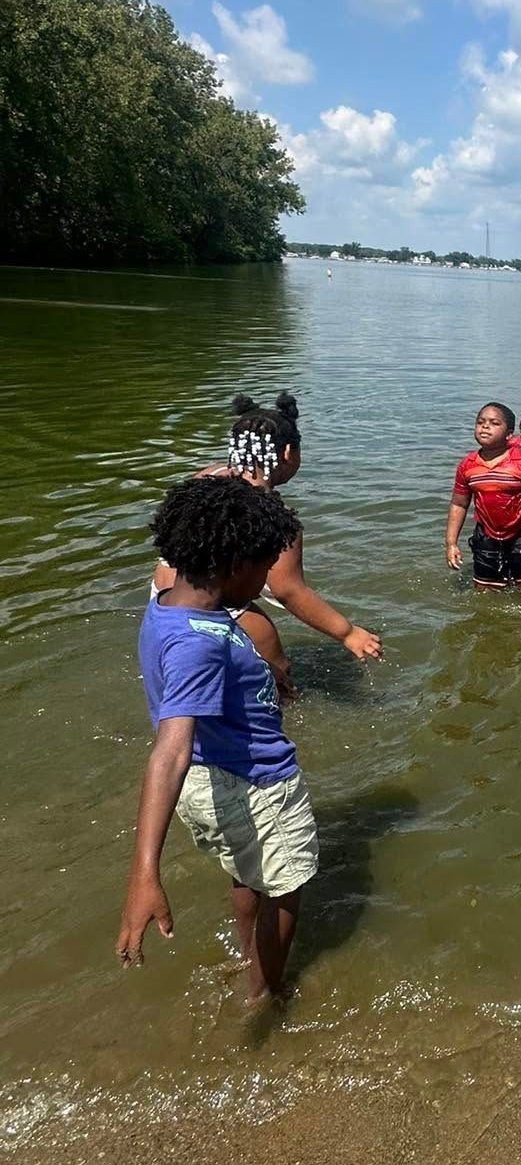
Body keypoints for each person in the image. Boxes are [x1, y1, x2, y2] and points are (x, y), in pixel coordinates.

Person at [118, 477, 319, 1003]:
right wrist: (145, 874)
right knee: (285, 887)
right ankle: (266, 996)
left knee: (247, 872)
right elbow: (171, 749)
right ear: (233, 566)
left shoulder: (169, 603)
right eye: (264, 568)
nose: (269, 583)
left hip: (214, 781)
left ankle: (247, 957)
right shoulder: (197, 644)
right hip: (252, 781)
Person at [153, 392, 383, 662]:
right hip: (220, 607)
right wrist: (348, 633)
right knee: (278, 681)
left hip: (167, 596)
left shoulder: (206, 477)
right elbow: (288, 590)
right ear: (288, 452)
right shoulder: (272, 516)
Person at [445, 402, 521, 594]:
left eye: (494, 423)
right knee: (484, 589)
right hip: (487, 534)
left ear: (509, 434)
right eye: (480, 422)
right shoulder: (467, 465)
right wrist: (451, 543)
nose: (485, 426)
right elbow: (459, 504)